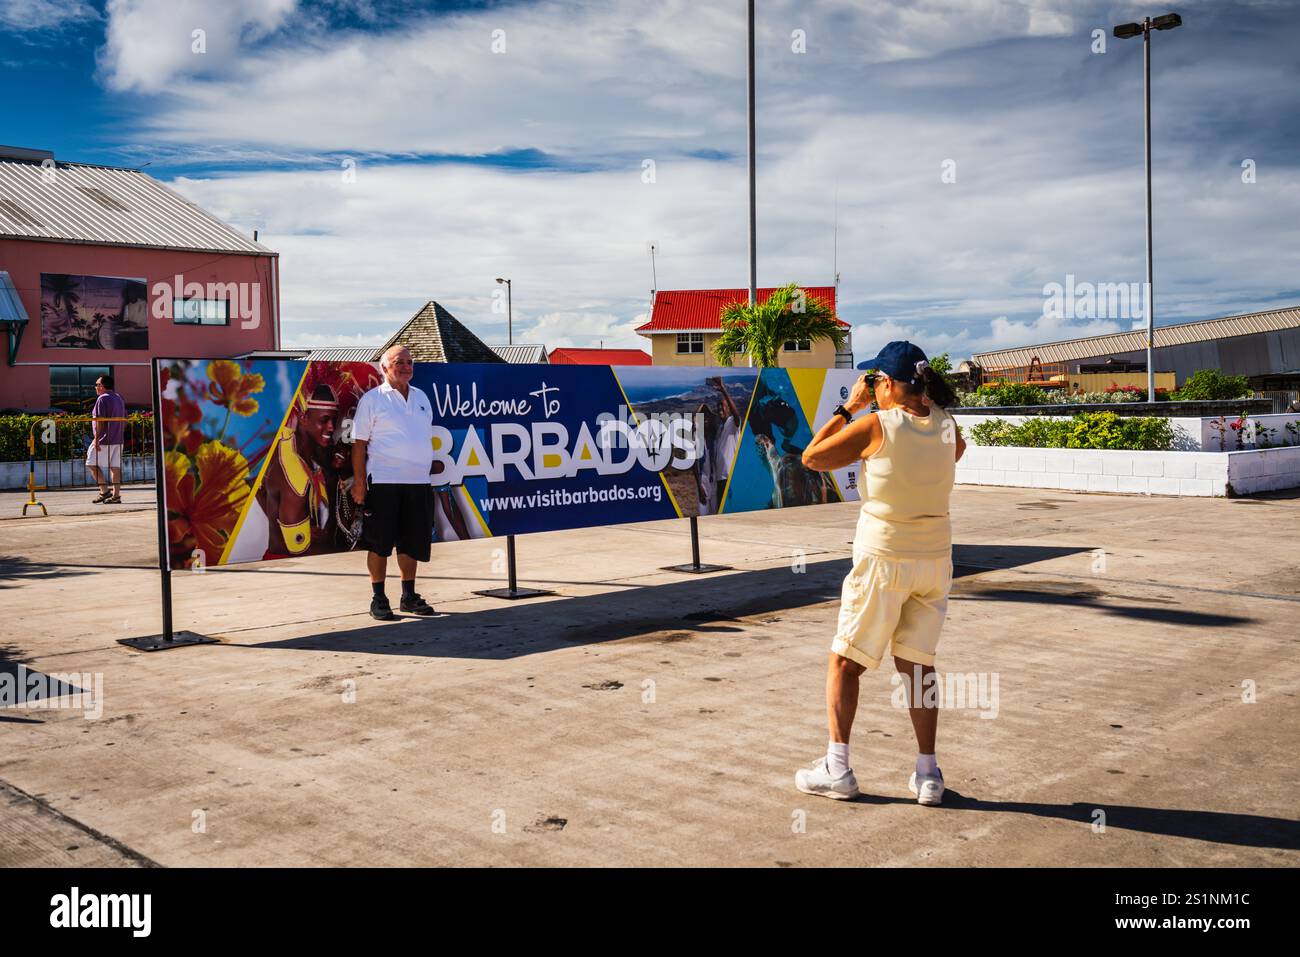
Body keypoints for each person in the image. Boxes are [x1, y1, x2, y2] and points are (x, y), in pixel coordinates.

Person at [794, 341, 965, 806]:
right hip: (935, 560)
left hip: (884, 558)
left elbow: (813, 457)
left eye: (876, 382)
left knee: (845, 661)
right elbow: (956, 451)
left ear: (886, 384)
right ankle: (928, 773)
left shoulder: (876, 425)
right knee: (918, 666)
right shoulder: (948, 425)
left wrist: (847, 408)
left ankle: (837, 767)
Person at [349, 346, 437, 620]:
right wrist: (360, 483)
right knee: (379, 543)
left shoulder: (422, 398)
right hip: (383, 483)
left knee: (411, 543)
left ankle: (408, 596)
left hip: (418, 484)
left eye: (410, 362)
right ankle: (378, 598)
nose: (406, 367)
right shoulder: (372, 400)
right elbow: (359, 444)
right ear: (384, 367)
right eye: (400, 362)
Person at [257, 383, 339, 559]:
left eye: (334, 420)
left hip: (283, 561)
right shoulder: (294, 474)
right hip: (288, 567)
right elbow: (297, 548)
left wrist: (284, 521)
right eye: (324, 420)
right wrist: (351, 553)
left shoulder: (286, 444)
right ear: (303, 418)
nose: (332, 427)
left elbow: (259, 489)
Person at [87, 374, 127, 504]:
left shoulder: (102, 399)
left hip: (104, 439)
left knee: (91, 464)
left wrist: (97, 438)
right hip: (118, 438)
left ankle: (104, 491)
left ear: (102, 386)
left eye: (97, 385)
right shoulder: (119, 397)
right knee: (115, 467)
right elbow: (125, 419)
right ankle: (116, 496)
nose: (96, 387)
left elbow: (100, 421)